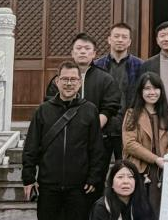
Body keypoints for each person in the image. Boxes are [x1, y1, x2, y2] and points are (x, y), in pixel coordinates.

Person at [22, 61, 106, 220]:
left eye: (73, 79)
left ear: (80, 83)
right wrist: (29, 177)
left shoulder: (89, 110)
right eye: (65, 79)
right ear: (57, 82)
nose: (69, 84)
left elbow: (96, 149)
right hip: (48, 184)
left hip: (78, 186)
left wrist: (94, 177)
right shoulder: (43, 111)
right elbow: (31, 147)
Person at [46, 33, 123, 164]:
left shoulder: (106, 79)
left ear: (94, 54)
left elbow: (110, 107)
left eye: (87, 48)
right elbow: (51, 105)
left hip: (98, 138)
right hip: (65, 138)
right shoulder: (59, 80)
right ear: (72, 53)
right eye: (79, 48)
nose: (82, 51)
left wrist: (93, 128)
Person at [121, 71, 168, 213]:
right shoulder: (131, 114)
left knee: (160, 212)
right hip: (139, 170)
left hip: (162, 171)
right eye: (147, 88)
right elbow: (129, 144)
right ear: (141, 92)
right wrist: (155, 159)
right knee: (139, 212)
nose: (152, 92)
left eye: (155, 88)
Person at [94, 22, 143, 157]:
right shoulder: (97, 65)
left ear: (129, 42)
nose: (120, 40)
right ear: (109, 39)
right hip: (103, 127)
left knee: (127, 167)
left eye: (124, 37)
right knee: (99, 167)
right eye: (116, 36)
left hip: (129, 126)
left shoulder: (140, 66)